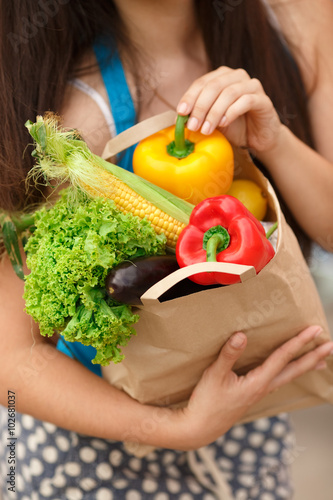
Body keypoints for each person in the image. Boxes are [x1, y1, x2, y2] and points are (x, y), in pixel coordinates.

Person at [0, 1, 333, 499]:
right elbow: (10, 355)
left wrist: (275, 141)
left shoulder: (297, 25)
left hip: (253, 418)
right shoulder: (64, 106)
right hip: (92, 446)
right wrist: (176, 427)